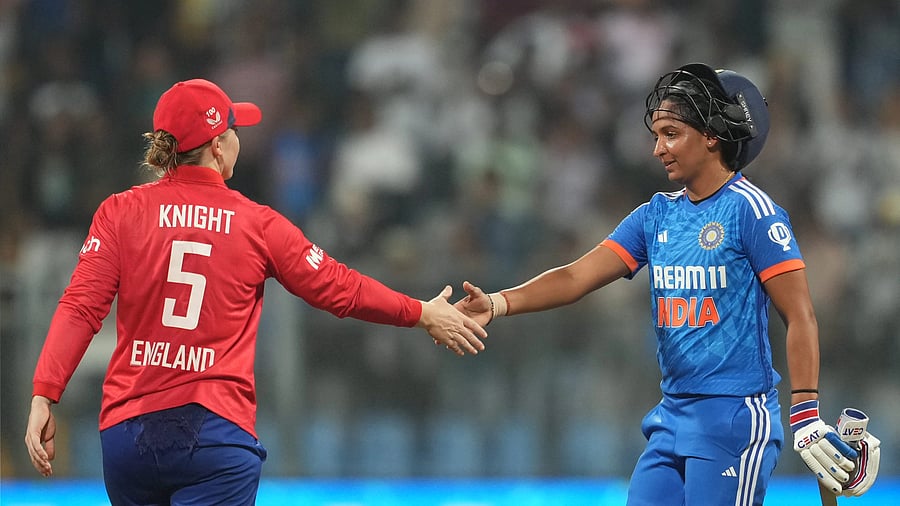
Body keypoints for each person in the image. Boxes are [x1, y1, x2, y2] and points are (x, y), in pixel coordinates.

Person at [24, 78, 487, 505]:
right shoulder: (256, 224)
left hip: (128, 441)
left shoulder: (120, 212)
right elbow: (339, 289)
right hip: (214, 440)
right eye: (234, 130)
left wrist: (45, 393)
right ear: (217, 146)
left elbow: (81, 307)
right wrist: (420, 312)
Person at [455, 63, 879, 505]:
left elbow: (801, 316)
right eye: (657, 135)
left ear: (712, 135)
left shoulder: (754, 211)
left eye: (671, 134)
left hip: (734, 418)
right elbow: (577, 275)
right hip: (672, 417)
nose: (658, 149)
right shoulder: (655, 215)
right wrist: (499, 302)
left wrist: (806, 414)